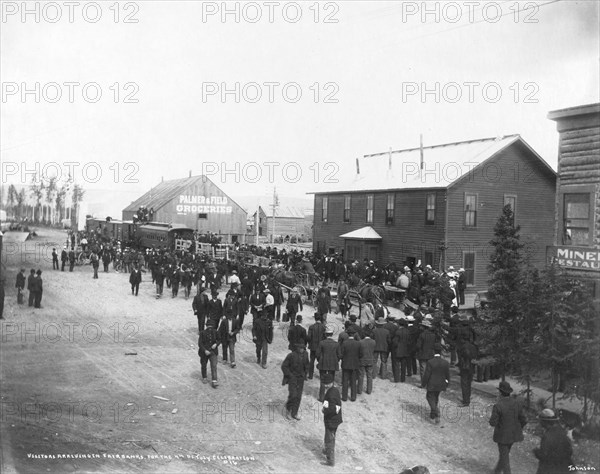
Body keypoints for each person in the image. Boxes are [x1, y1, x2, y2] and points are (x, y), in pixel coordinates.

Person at [489, 381, 527, 474]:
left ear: (500, 393)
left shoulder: (498, 406)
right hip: (514, 434)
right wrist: (518, 428)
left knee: (504, 458)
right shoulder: (516, 403)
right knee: (504, 455)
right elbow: (523, 419)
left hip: (503, 436)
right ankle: (497, 471)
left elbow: (493, 423)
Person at [533, 409, 573, 474]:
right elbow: (570, 451)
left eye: (540, 421)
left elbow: (544, 456)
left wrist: (536, 451)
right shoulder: (562, 431)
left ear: (544, 422)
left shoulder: (547, 436)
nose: (539, 423)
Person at [421, 343, 450, 424]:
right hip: (441, 384)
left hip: (432, 384)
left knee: (429, 397)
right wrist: (446, 384)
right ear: (441, 352)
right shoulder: (445, 363)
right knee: (436, 398)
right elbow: (447, 376)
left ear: (433, 351)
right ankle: (432, 414)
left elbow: (427, 375)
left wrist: (423, 384)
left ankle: (436, 412)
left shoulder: (430, 362)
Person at [281, 343, 309, 421]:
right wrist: (289, 375)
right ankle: (288, 410)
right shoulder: (291, 355)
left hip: (300, 379)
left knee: (298, 397)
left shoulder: (306, 355)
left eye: (303, 348)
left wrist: (305, 373)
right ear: (297, 348)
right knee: (293, 395)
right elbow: (284, 366)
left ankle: (294, 413)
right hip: (292, 378)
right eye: (300, 348)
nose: (302, 350)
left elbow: (307, 365)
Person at [321, 380, 343, 467]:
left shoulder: (330, 394)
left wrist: (324, 410)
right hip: (335, 420)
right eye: (325, 384)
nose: (325, 385)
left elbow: (332, 409)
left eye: (327, 384)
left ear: (331, 383)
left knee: (329, 439)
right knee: (331, 437)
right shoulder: (335, 390)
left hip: (331, 420)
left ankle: (330, 460)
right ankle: (327, 450)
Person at [317, 326, 340, 402]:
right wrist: (336, 360)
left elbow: (318, 354)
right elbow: (339, 355)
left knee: (322, 381)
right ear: (332, 334)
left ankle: (321, 397)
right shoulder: (336, 344)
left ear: (325, 334)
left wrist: (320, 360)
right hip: (333, 364)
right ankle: (330, 397)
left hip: (323, 363)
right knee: (331, 381)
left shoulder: (322, 343)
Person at [198, 321, 220, 388]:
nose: (210, 328)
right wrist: (205, 350)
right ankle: (204, 377)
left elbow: (219, 339)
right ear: (206, 326)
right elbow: (200, 343)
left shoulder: (216, 332)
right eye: (208, 326)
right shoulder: (202, 333)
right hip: (204, 352)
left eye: (211, 326)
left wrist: (216, 344)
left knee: (214, 365)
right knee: (204, 365)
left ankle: (214, 380)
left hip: (213, 352)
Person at [340, 329, 360, 402]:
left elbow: (341, 354)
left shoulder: (344, 343)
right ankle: (353, 397)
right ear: (354, 335)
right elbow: (361, 354)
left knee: (345, 381)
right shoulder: (358, 343)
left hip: (346, 364)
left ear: (348, 335)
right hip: (355, 364)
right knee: (353, 381)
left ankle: (344, 397)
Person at [457, 339, 477, 406]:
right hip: (471, 366)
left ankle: (466, 401)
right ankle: (467, 398)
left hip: (465, 367)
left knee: (464, 384)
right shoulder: (473, 347)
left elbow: (462, 356)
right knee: (469, 383)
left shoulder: (463, 347)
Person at [307, 314, 326, 379]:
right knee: (320, 361)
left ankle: (310, 375)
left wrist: (310, 343)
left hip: (313, 346)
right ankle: (321, 375)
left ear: (315, 319)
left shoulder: (311, 327)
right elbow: (325, 337)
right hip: (320, 347)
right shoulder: (323, 327)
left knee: (312, 361)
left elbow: (309, 337)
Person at [358, 327, 376, 395]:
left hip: (362, 360)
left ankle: (359, 390)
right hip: (370, 360)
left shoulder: (361, 342)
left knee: (361, 375)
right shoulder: (373, 342)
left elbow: (359, 352)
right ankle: (369, 390)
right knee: (369, 376)